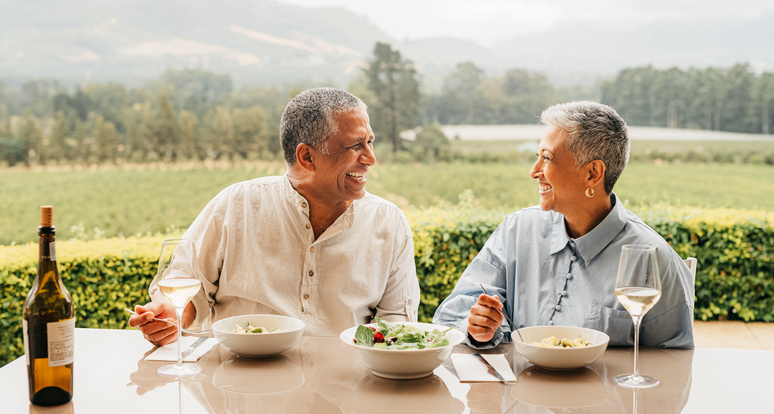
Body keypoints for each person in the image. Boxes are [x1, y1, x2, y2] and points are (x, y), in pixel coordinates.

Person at [129, 87, 420, 346]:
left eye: (370, 142)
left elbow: (396, 329)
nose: (370, 158)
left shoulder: (389, 222)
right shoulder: (236, 204)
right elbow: (187, 284)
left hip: (347, 393)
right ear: (307, 157)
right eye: (356, 145)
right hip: (238, 389)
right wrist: (170, 314)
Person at [433, 101, 694, 348]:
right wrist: (478, 327)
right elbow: (454, 311)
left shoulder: (655, 259)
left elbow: (674, 359)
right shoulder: (517, 230)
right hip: (517, 393)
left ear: (592, 174)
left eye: (547, 158)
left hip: (604, 396)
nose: (534, 171)